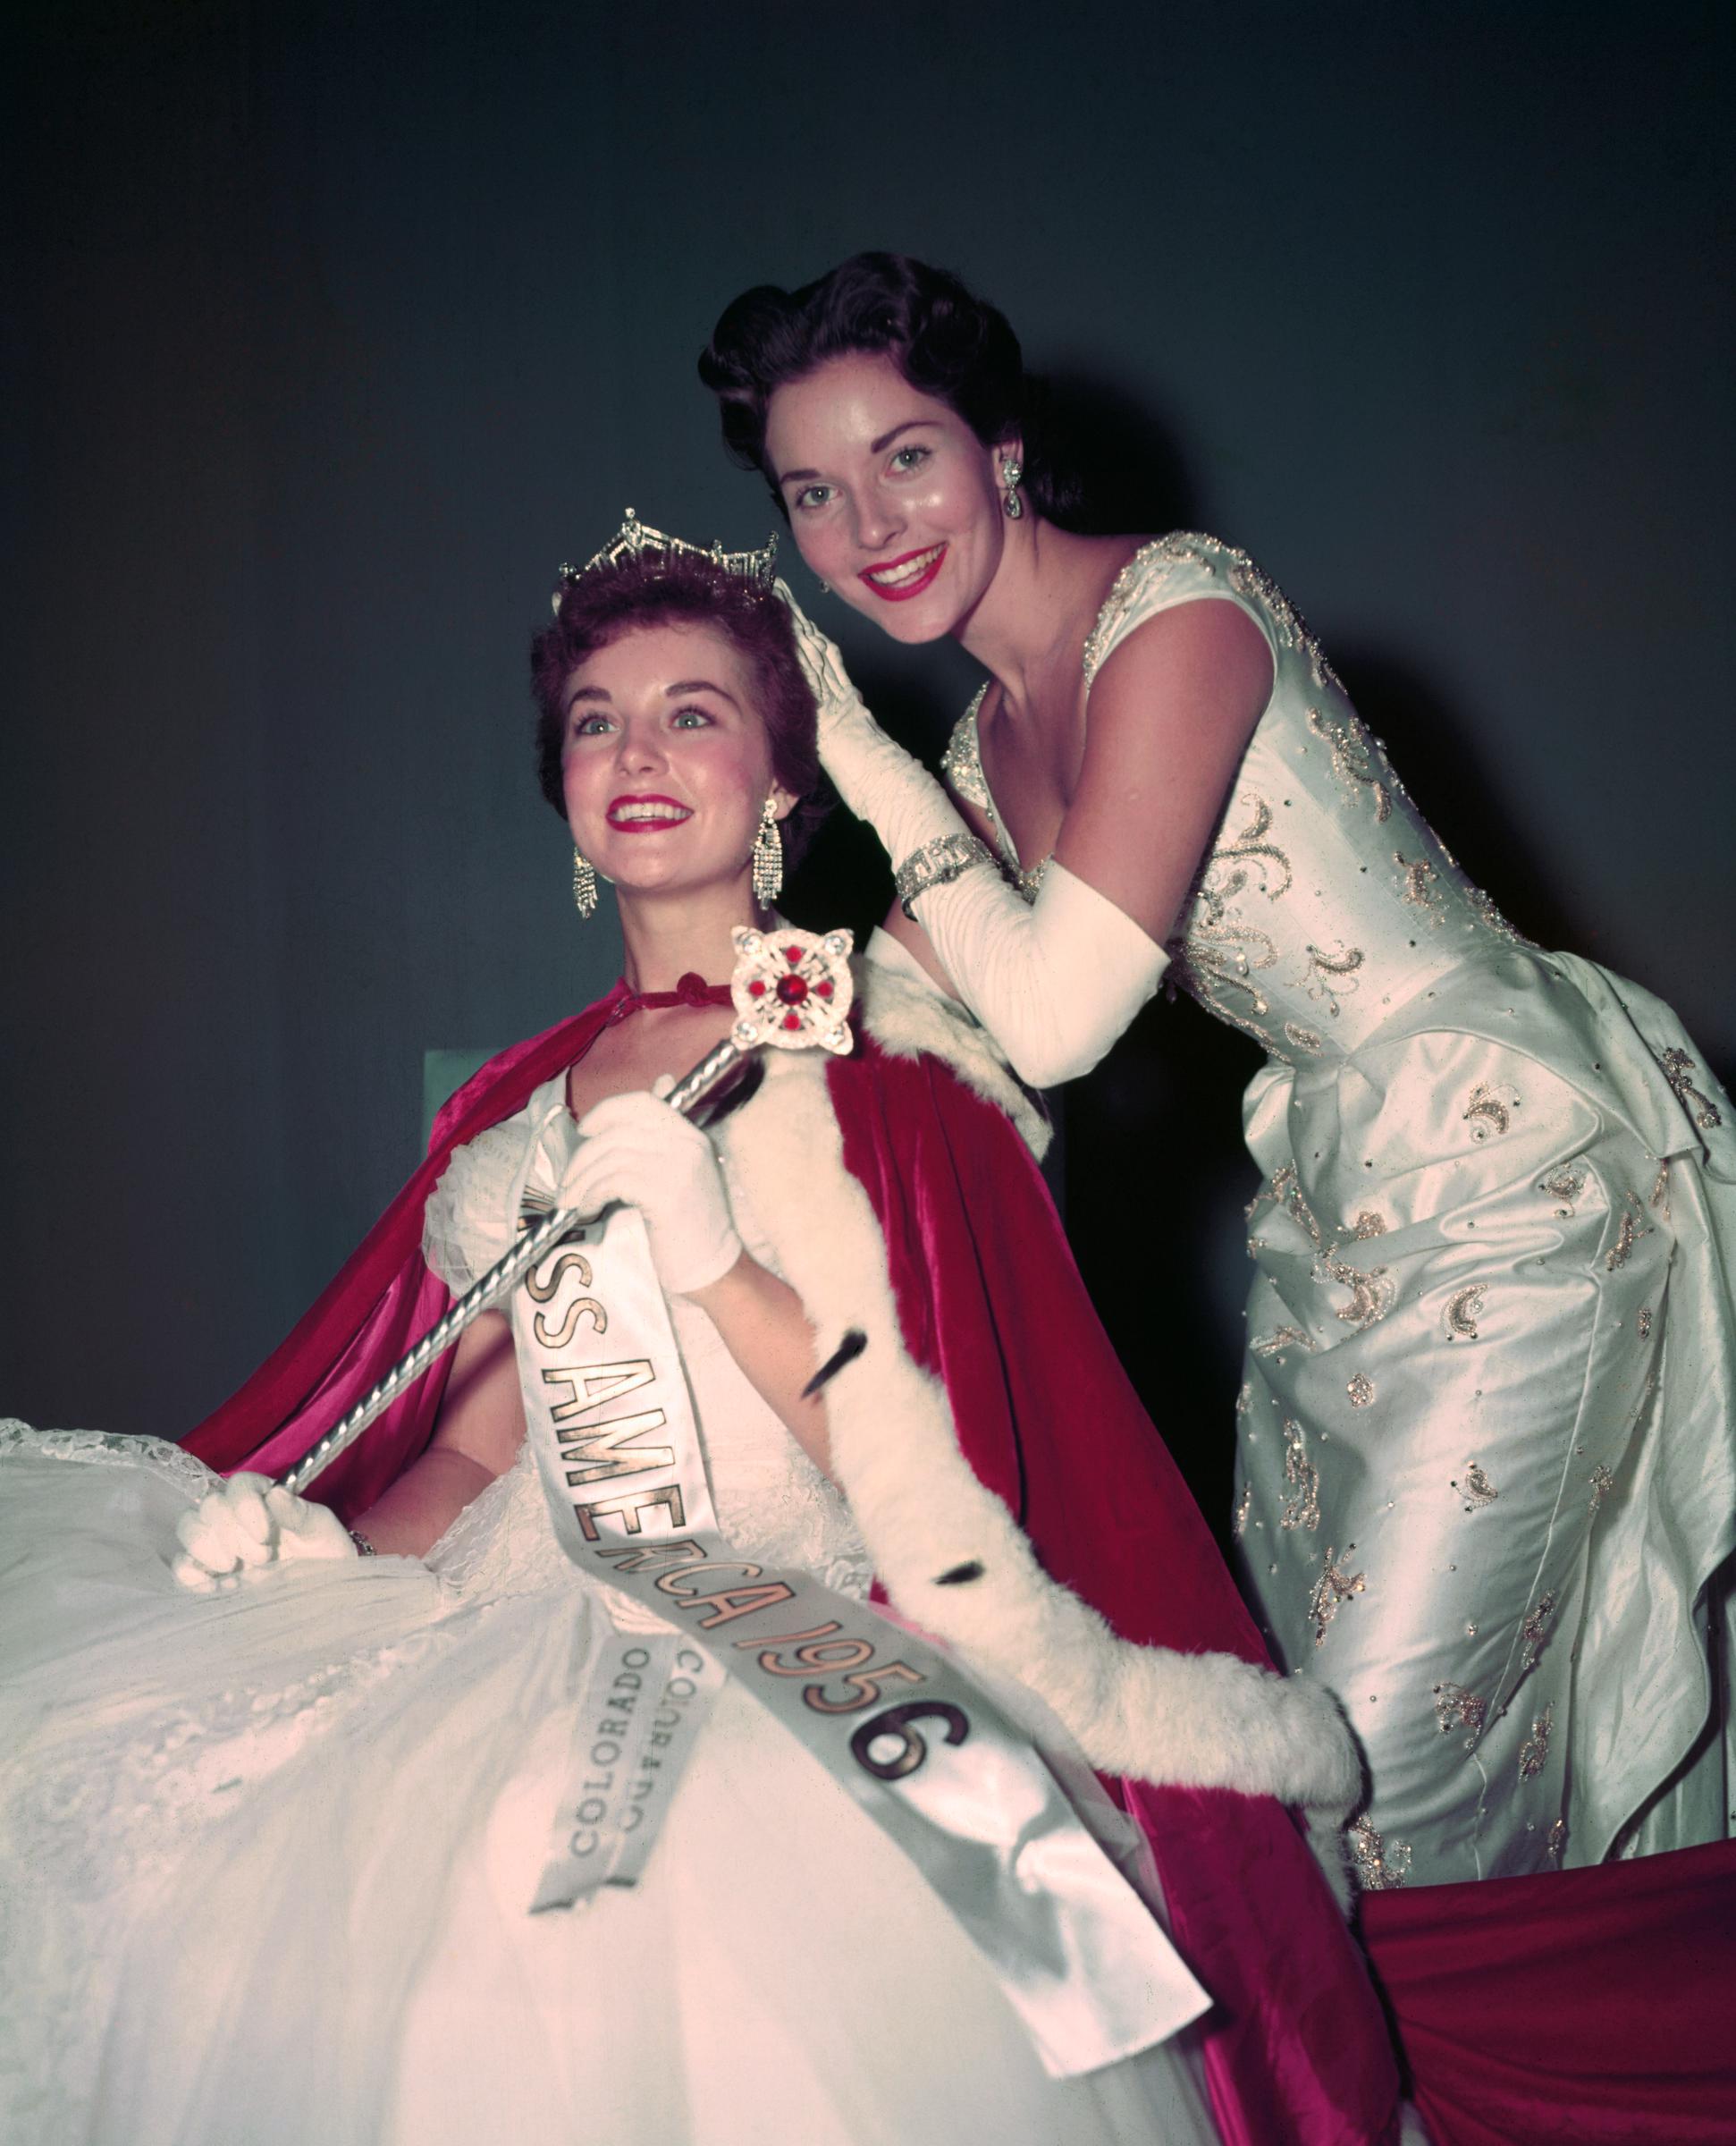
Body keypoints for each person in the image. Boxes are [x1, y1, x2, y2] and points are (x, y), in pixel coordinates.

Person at [0, 522, 1403, 2146]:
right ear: (565, 799)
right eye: (596, 719)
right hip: (503, 1606)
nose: (638, 752)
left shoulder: (893, 1055)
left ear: (783, 782)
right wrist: (328, 1547)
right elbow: (469, 1445)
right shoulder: (503, 1127)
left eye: (693, 712)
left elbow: (953, 1463)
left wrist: (723, 1258)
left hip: (800, 1626)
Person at [699, 253, 1736, 1901]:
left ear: (1003, 452)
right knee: (1289, 1749)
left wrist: (864, 768)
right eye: (812, 492)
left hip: (1515, 1167)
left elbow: (1049, 1023)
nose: (868, 525)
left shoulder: (1178, 613)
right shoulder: (982, 757)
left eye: (906, 456)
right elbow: (884, 1009)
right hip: (1333, 1208)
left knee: (1364, 1792)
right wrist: (673, 1039)